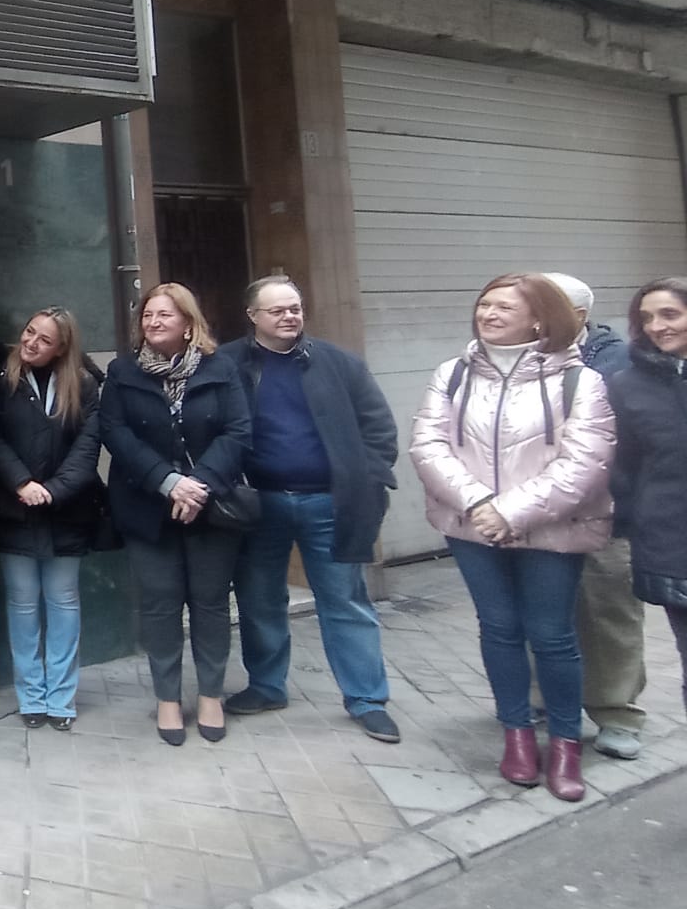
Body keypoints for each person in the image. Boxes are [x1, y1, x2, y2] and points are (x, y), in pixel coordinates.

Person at [409, 273, 615, 802]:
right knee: (498, 628)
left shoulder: (579, 380)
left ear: (540, 317)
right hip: (471, 526)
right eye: (484, 303)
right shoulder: (453, 374)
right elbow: (428, 445)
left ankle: (567, 744)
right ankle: (517, 734)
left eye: (504, 306)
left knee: (552, 635)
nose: (489, 313)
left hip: (551, 527)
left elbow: (586, 462)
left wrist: (512, 512)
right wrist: (480, 504)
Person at [221, 277, 402, 743]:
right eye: (278, 310)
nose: (290, 316)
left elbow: (379, 428)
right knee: (260, 599)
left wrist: (371, 480)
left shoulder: (339, 364)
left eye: (296, 308)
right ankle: (266, 686)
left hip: (330, 503)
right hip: (260, 503)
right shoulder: (227, 365)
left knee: (345, 601)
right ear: (253, 316)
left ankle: (366, 699)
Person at [102, 282, 252, 747]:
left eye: (165, 315)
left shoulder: (220, 368)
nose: (154, 322)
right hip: (147, 507)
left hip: (210, 507)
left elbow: (238, 431)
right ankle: (168, 698)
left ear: (188, 323)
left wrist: (198, 484)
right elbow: (116, 434)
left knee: (209, 603)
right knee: (160, 605)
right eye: (148, 315)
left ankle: (210, 694)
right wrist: (169, 483)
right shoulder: (122, 371)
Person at [0, 308, 104, 731]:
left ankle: (61, 698)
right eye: (30, 332)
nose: (31, 342)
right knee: (23, 604)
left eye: (44, 340)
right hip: (13, 508)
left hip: (67, 511)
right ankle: (31, 695)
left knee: (64, 603)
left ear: (62, 347)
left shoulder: (84, 385)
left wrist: (56, 489)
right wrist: (21, 482)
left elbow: (89, 444)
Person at [540, 273, 644, 760]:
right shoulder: (508, 356)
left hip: (601, 512)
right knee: (538, 610)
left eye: (545, 304)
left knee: (606, 613)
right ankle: (543, 696)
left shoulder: (620, 364)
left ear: (578, 315)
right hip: (533, 512)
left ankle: (616, 713)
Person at [609, 276, 687, 715]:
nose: (658, 326)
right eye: (647, 317)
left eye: (670, 314)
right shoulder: (627, 385)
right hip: (673, 543)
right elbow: (625, 467)